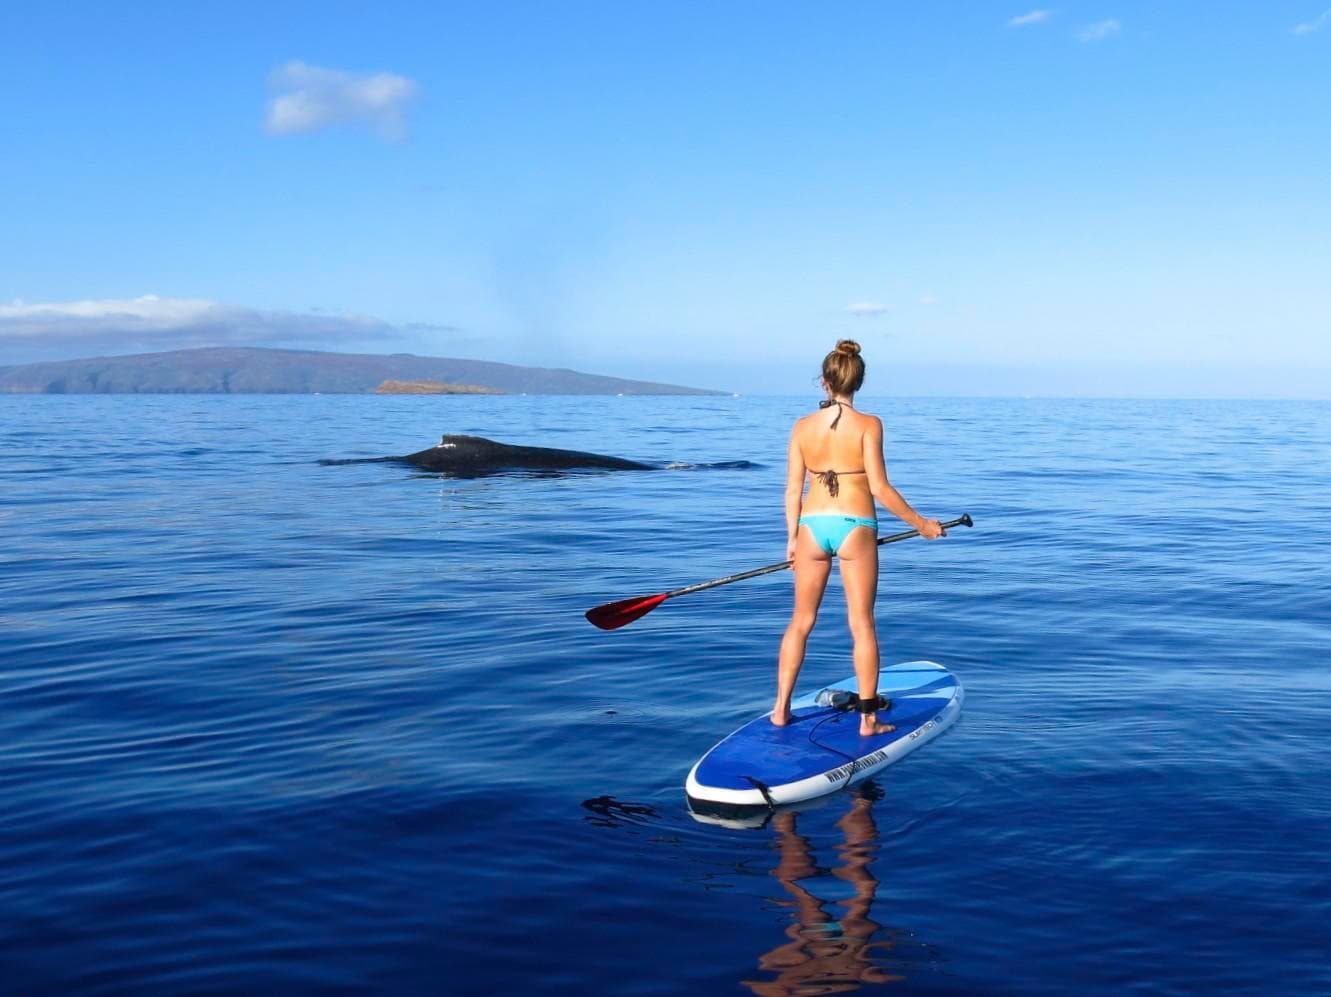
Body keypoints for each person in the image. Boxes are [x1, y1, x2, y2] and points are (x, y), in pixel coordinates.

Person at [773, 339, 943, 735]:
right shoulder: (869, 425)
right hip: (855, 528)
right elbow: (880, 488)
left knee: (800, 621)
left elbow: (790, 490)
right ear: (858, 381)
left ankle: (780, 709)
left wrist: (792, 539)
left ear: (824, 382)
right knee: (861, 623)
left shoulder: (801, 427)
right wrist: (921, 524)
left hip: (811, 527)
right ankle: (868, 720)